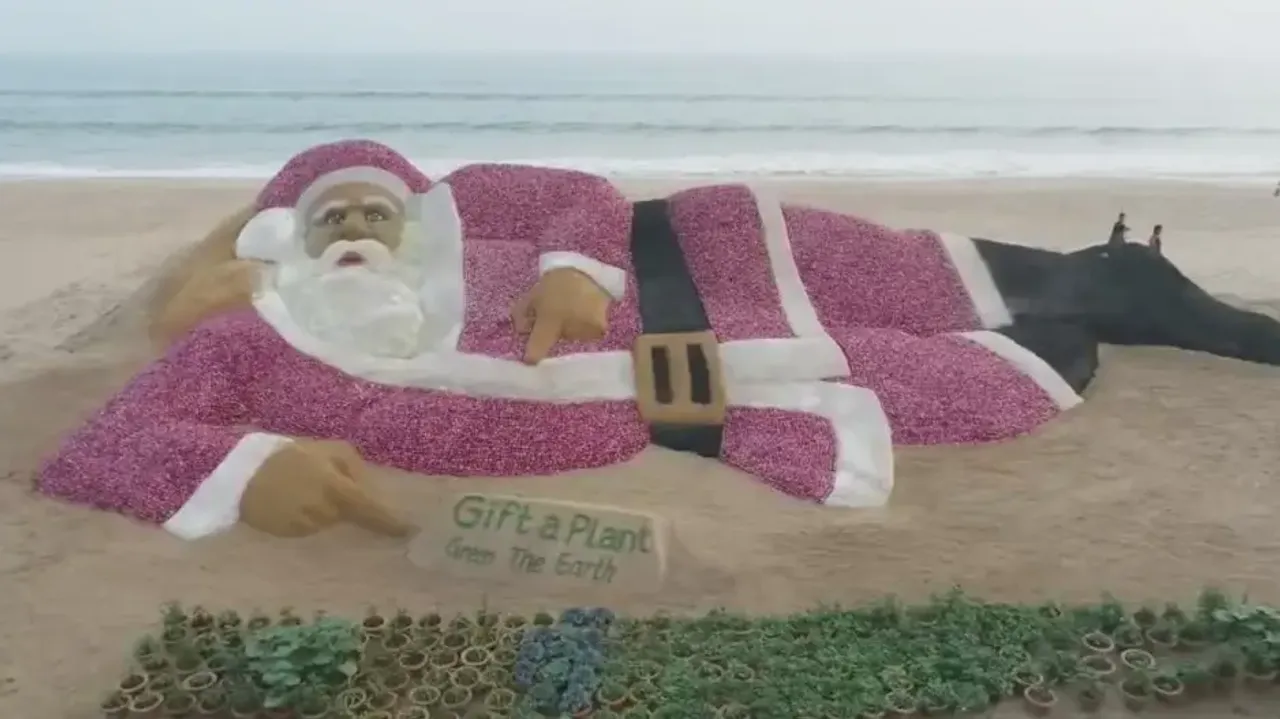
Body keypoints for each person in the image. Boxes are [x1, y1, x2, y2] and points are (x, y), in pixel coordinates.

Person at [37, 140, 1080, 540]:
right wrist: (246, 468)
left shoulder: (470, 205)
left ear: (410, 216)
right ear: (286, 242)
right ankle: (1073, 330)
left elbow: (580, 194)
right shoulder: (256, 334)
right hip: (714, 405)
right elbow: (110, 438)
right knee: (962, 380)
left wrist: (574, 269)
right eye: (327, 219)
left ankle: (1095, 283)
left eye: (372, 211)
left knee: (897, 270)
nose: (353, 228)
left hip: (695, 269)